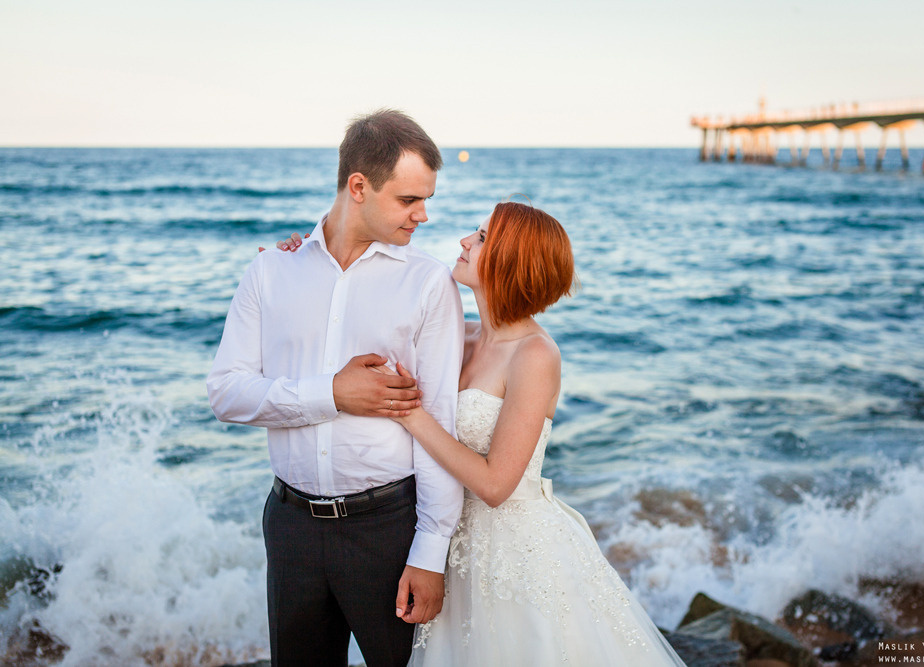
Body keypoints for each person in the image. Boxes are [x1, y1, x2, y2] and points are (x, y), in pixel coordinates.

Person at [276, 201, 686, 665]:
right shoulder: (461, 335)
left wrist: (413, 418)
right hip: (447, 538)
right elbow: (355, 326)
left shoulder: (534, 355)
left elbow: (495, 485)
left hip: (511, 552)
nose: (464, 241)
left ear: (512, 260)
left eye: (483, 237)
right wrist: (314, 256)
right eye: (475, 232)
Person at [207, 109, 465, 667]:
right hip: (291, 527)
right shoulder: (271, 272)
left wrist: (431, 552)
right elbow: (226, 393)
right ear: (358, 186)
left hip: (389, 530)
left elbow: (439, 420)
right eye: (408, 200)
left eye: (427, 200)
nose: (422, 215)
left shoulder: (427, 283)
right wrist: (332, 394)